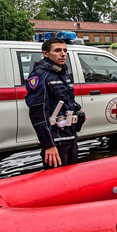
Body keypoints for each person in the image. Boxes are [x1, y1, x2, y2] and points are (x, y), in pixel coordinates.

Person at [25, 38, 85, 169]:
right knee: (57, 182)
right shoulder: (41, 76)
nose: (63, 54)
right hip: (56, 141)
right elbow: (38, 112)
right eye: (58, 51)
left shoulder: (62, 73)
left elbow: (66, 100)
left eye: (65, 50)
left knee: (72, 177)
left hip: (70, 136)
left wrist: (78, 111)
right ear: (45, 53)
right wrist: (48, 144)